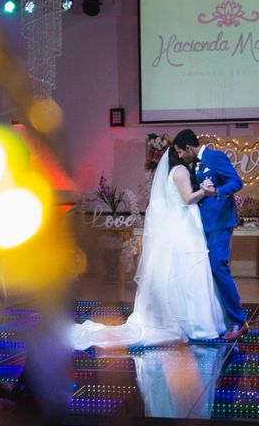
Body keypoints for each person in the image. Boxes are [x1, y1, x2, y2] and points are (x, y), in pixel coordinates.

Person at [72, 148, 226, 349]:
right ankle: (196, 324)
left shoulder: (171, 173)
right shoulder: (180, 171)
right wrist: (205, 191)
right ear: (182, 151)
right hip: (185, 226)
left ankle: (188, 320)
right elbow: (188, 199)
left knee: (182, 274)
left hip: (179, 225)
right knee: (190, 273)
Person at [173, 129, 248, 341]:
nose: (180, 156)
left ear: (189, 148)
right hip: (204, 224)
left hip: (220, 222)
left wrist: (216, 191)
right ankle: (221, 319)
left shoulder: (215, 157)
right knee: (207, 271)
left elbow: (236, 182)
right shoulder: (194, 163)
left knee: (218, 267)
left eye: (180, 152)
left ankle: (239, 321)